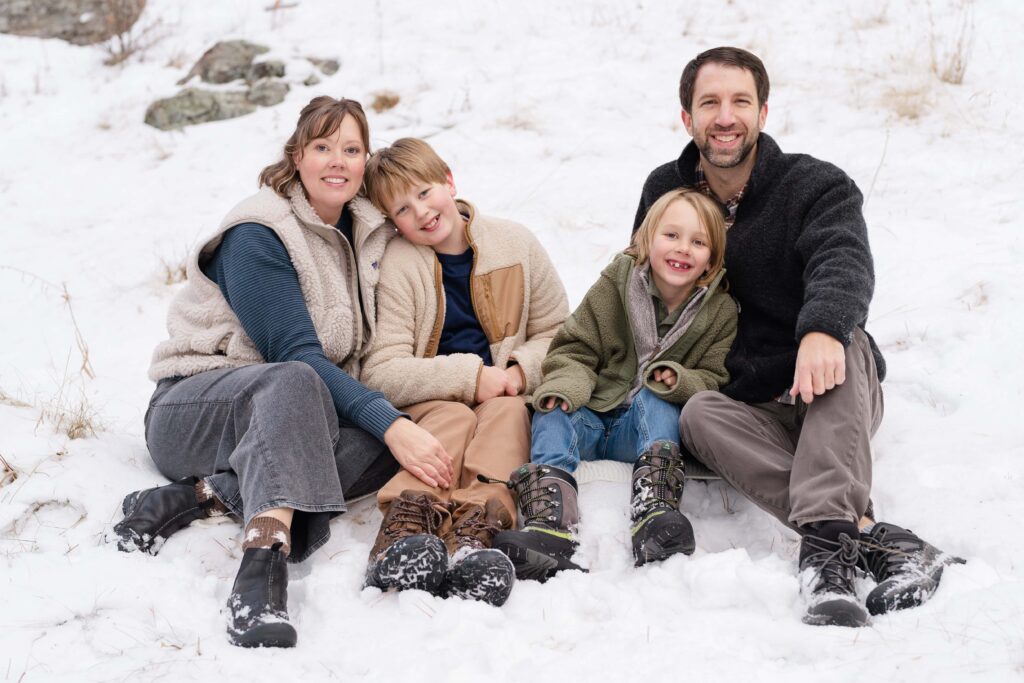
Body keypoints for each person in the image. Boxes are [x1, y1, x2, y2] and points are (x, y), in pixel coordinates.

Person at [634, 47, 960, 627]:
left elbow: (843, 259)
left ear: (763, 111)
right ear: (687, 118)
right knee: (698, 416)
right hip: (749, 402)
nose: (726, 116)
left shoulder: (814, 184)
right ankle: (872, 537)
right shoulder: (666, 190)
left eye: (740, 101)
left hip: (833, 387)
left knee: (843, 342)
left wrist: (820, 330)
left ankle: (825, 565)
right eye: (710, 103)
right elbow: (640, 277)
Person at [112, 97, 451, 648]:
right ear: (296, 156)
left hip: (292, 418)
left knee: (392, 437)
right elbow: (298, 356)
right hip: (196, 411)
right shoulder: (258, 234)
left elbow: (433, 214)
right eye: (322, 147)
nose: (337, 161)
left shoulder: (366, 230)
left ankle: (197, 497)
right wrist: (390, 421)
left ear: (366, 160)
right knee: (299, 379)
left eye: (351, 148)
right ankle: (260, 572)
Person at [359, 138, 569, 606]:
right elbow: (382, 368)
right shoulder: (398, 265)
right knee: (455, 418)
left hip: (505, 390)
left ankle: (477, 530)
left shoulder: (515, 242)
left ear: (449, 181)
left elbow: (558, 331)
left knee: (508, 414)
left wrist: (518, 370)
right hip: (434, 395)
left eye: (425, 192)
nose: (421, 212)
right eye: (402, 210)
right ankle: (405, 528)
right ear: (393, 223)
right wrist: (470, 378)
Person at [493, 188, 737, 582]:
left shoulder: (720, 311)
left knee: (660, 403)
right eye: (671, 235)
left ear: (712, 258)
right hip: (591, 414)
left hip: (639, 433)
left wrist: (680, 380)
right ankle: (551, 522)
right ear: (647, 237)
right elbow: (575, 346)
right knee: (549, 409)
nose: (683, 249)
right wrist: (567, 387)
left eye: (698, 242)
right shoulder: (617, 282)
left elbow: (715, 377)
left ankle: (654, 511)